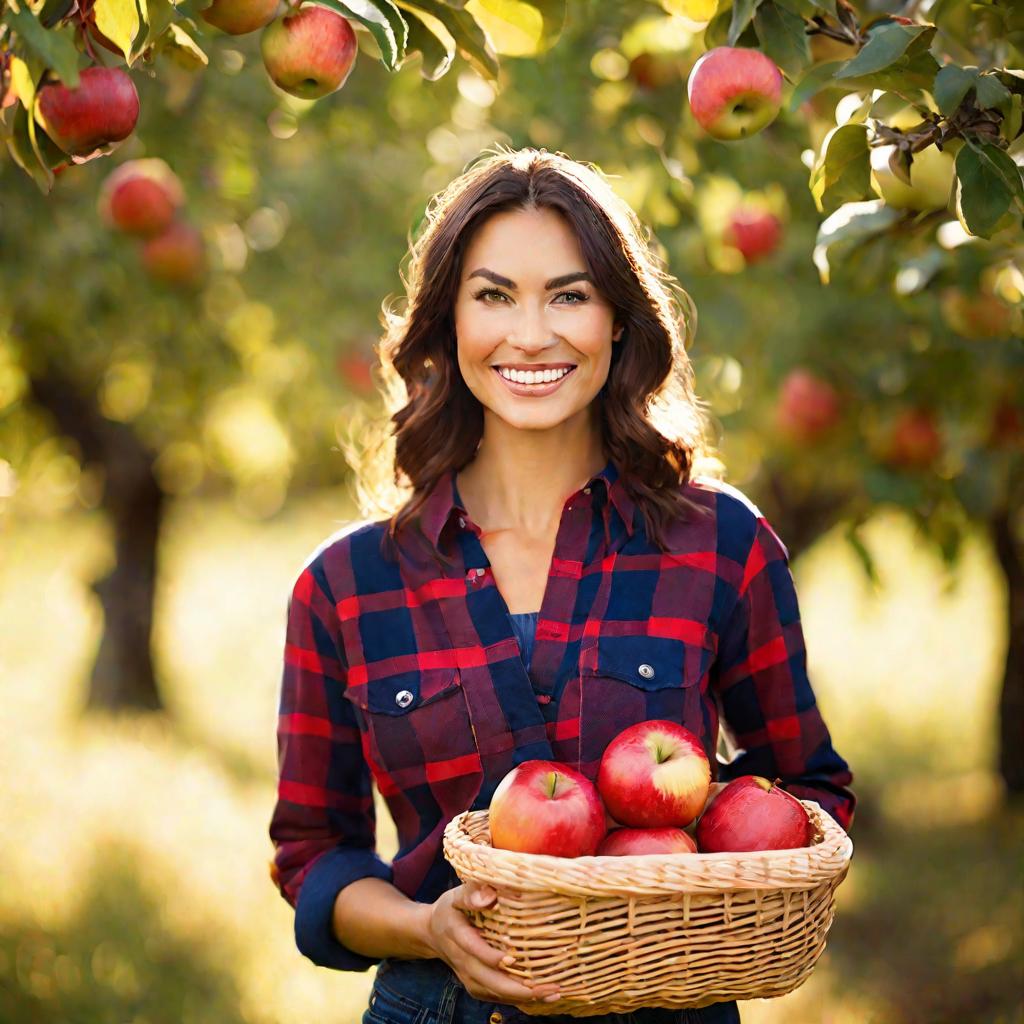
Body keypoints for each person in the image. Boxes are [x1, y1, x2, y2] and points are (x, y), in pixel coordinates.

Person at [268, 147, 857, 1024]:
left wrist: (683, 891)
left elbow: (808, 798)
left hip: (667, 1004)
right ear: (448, 323)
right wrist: (429, 927)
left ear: (620, 319)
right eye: (494, 295)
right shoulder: (348, 585)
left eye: (570, 296)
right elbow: (316, 856)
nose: (532, 334)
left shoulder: (719, 545)